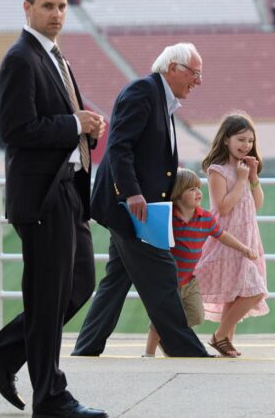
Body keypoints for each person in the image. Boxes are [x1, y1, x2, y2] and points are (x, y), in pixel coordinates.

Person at [0, 0, 108, 418]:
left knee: (80, 284)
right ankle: (49, 396)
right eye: (48, 6)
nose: (56, 14)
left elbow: (60, 121)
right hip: (43, 197)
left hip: (68, 189)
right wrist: (75, 125)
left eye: (63, 7)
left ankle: (1, 354)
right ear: (27, 7)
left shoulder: (54, 57)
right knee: (49, 296)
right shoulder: (20, 59)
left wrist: (87, 125)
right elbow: (15, 130)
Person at [72, 43, 212, 358]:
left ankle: (86, 348)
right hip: (130, 207)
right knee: (162, 273)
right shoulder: (142, 92)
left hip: (134, 206)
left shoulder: (159, 97)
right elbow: (120, 147)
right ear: (173, 68)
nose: (199, 81)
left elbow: (144, 152)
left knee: (116, 281)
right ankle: (187, 350)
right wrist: (133, 192)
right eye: (195, 73)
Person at [143, 168, 258, 357]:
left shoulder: (204, 218)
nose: (198, 192)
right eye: (191, 189)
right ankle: (149, 353)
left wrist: (244, 249)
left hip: (189, 280)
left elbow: (223, 235)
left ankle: (169, 335)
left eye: (198, 188)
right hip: (169, 282)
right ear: (178, 194)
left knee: (196, 316)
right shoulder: (169, 218)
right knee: (161, 318)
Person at [193, 113, 269, 357]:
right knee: (255, 290)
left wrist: (253, 178)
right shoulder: (218, 170)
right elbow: (223, 207)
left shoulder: (244, 169)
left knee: (235, 293)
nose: (246, 145)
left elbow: (257, 204)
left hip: (247, 237)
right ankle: (220, 336)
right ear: (226, 139)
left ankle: (225, 341)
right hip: (227, 239)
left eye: (250, 141)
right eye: (240, 139)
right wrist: (241, 180)